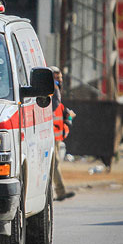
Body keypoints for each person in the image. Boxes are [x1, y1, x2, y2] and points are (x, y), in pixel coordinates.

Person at [50, 66, 75, 201]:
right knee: (54, 164)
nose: (59, 80)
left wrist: (68, 116)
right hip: (51, 134)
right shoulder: (52, 91)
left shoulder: (56, 91)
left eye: (60, 78)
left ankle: (59, 192)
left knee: (54, 163)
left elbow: (59, 108)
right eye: (56, 78)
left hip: (56, 134)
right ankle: (60, 192)